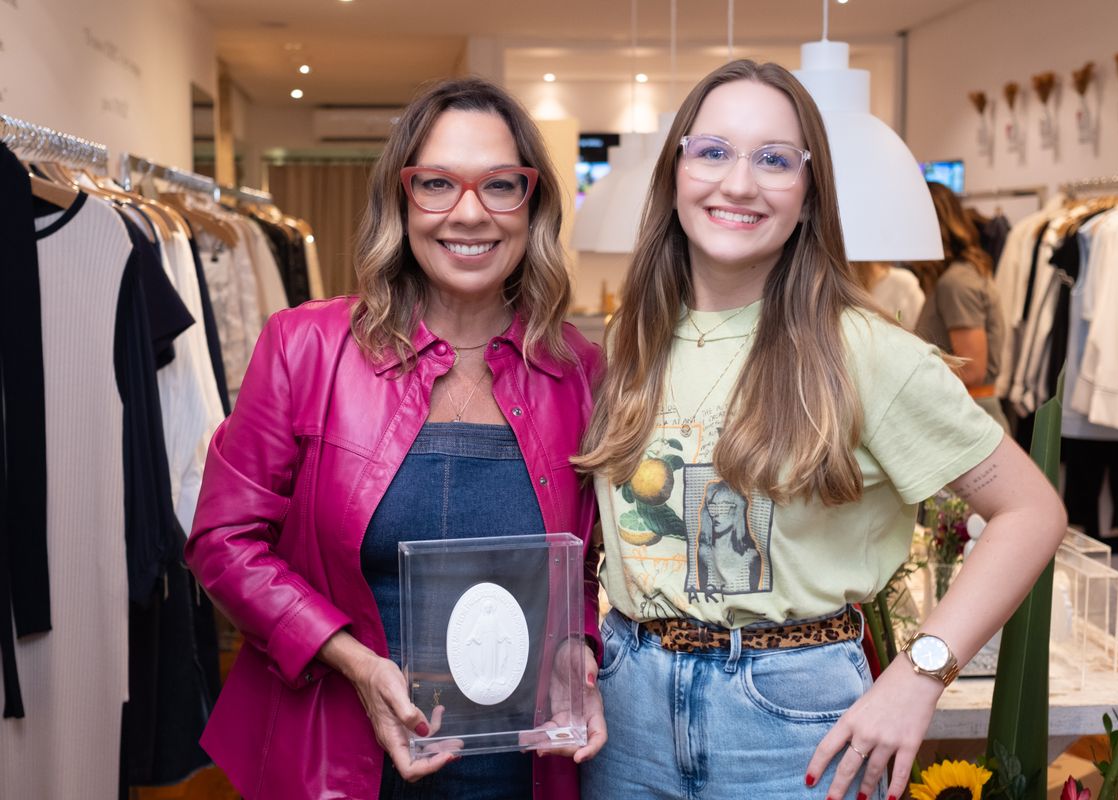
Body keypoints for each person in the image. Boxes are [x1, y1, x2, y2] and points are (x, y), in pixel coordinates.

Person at [575, 60, 1065, 800]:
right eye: (712, 152)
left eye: (774, 160)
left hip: (791, 716)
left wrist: (920, 673)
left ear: (808, 197)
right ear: (675, 175)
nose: (738, 184)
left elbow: (1031, 511)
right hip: (627, 703)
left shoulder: (865, 351)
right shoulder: (627, 342)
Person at [185, 77, 607, 800]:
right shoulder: (306, 348)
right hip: (341, 756)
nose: (469, 214)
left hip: (521, 767)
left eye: (500, 185)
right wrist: (352, 659)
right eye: (438, 183)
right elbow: (222, 539)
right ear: (401, 200)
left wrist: (577, 643)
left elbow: (592, 559)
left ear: (531, 203)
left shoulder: (579, 372)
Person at [913, 181, 1011, 432]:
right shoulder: (958, 276)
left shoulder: (956, 283)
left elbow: (971, 370)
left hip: (969, 418)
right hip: (967, 415)